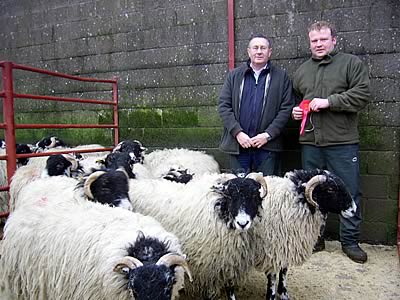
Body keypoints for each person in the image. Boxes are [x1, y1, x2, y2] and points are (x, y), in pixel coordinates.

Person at [292, 21, 370, 263]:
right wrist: (296, 112)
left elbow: (362, 95)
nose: (318, 44)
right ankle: (316, 238)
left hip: (342, 142)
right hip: (311, 143)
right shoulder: (302, 71)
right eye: (314, 40)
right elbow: (298, 101)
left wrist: (329, 102)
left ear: (333, 40)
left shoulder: (350, 64)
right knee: (312, 192)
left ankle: (350, 241)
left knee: (349, 191)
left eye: (323, 39)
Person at [218, 34, 293, 176]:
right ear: (249, 51)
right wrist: (237, 133)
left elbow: (286, 108)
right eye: (255, 48)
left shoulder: (281, 77)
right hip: (239, 146)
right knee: (239, 190)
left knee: (268, 191)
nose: (259, 51)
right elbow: (223, 106)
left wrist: (268, 135)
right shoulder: (234, 76)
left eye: (263, 48)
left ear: (269, 52)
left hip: (267, 147)